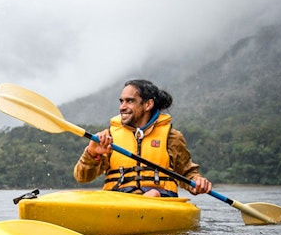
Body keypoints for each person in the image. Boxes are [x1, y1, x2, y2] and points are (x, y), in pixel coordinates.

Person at [74, 79, 212, 198]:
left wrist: (197, 183)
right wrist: (91, 153)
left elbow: (187, 173)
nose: (122, 107)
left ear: (148, 105)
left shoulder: (172, 137)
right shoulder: (108, 136)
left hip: (160, 200)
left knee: (153, 194)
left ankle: (150, 199)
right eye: (121, 101)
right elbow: (82, 177)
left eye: (130, 101)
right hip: (119, 199)